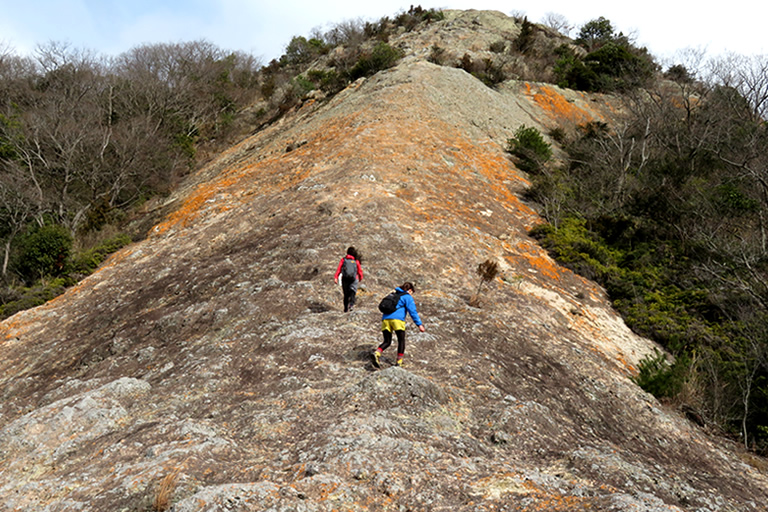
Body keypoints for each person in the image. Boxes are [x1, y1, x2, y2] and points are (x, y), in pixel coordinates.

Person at [373, 282, 425, 368]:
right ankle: (399, 362)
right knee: (401, 341)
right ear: (410, 290)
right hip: (397, 321)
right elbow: (413, 312)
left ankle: (377, 353)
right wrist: (419, 324)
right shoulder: (407, 297)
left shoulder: (393, 294)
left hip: (385, 320)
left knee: (387, 341)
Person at [334, 247, 363, 312]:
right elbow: (359, 271)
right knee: (353, 291)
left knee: (346, 294)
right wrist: (360, 277)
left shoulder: (343, 260)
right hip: (354, 279)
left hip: (345, 279)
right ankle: (351, 304)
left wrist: (336, 277)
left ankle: (345, 308)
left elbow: (339, 269)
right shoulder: (356, 261)